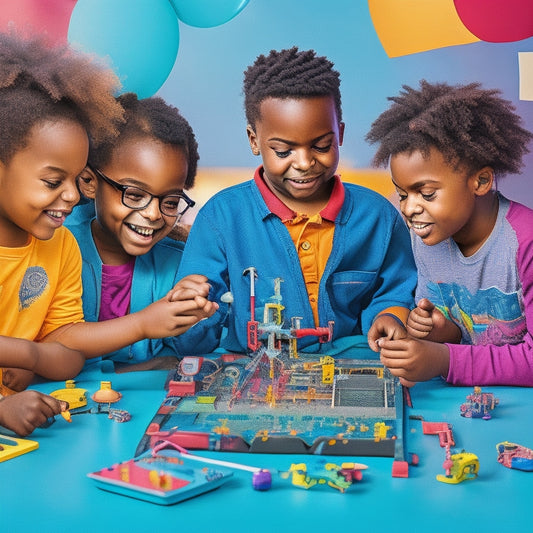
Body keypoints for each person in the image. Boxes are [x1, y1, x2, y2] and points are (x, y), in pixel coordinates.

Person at [0, 31, 213, 435]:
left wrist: (30, 356)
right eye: (52, 181)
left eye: (169, 201)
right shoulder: (68, 240)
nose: (71, 195)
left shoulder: (57, 245)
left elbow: (65, 355)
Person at [173, 47, 417, 356]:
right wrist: (191, 312)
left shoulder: (378, 218)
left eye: (321, 145)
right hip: (259, 376)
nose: (304, 162)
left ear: (339, 133)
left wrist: (390, 315)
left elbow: (395, 290)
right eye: (284, 150)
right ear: (254, 140)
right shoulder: (220, 218)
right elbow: (194, 338)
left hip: (349, 371)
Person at [366, 80, 533, 386]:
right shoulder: (428, 238)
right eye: (403, 195)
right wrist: (437, 331)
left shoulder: (525, 242)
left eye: (426, 194)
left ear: (480, 181)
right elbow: (462, 333)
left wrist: (443, 359)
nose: (409, 209)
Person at [66, 92, 215, 368]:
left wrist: (198, 314)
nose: (153, 213)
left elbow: (183, 355)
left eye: (170, 201)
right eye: (134, 195)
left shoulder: (178, 265)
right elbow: (49, 345)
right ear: (89, 182)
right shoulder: (58, 248)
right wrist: (144, 329)